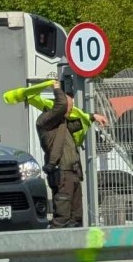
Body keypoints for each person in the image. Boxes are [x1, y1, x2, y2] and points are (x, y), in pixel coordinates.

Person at [36, 81, 107, 228]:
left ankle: (75, 247)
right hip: (62, 173)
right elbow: (61, 105)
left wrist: (93, 116)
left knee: (76, 217)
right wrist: (56, 88)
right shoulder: (46, 122)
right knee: (62, 216)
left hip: (73, 173)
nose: (71, 110)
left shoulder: (63, 123)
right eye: (69, 107)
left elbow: (78, 121)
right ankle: (57, 247)